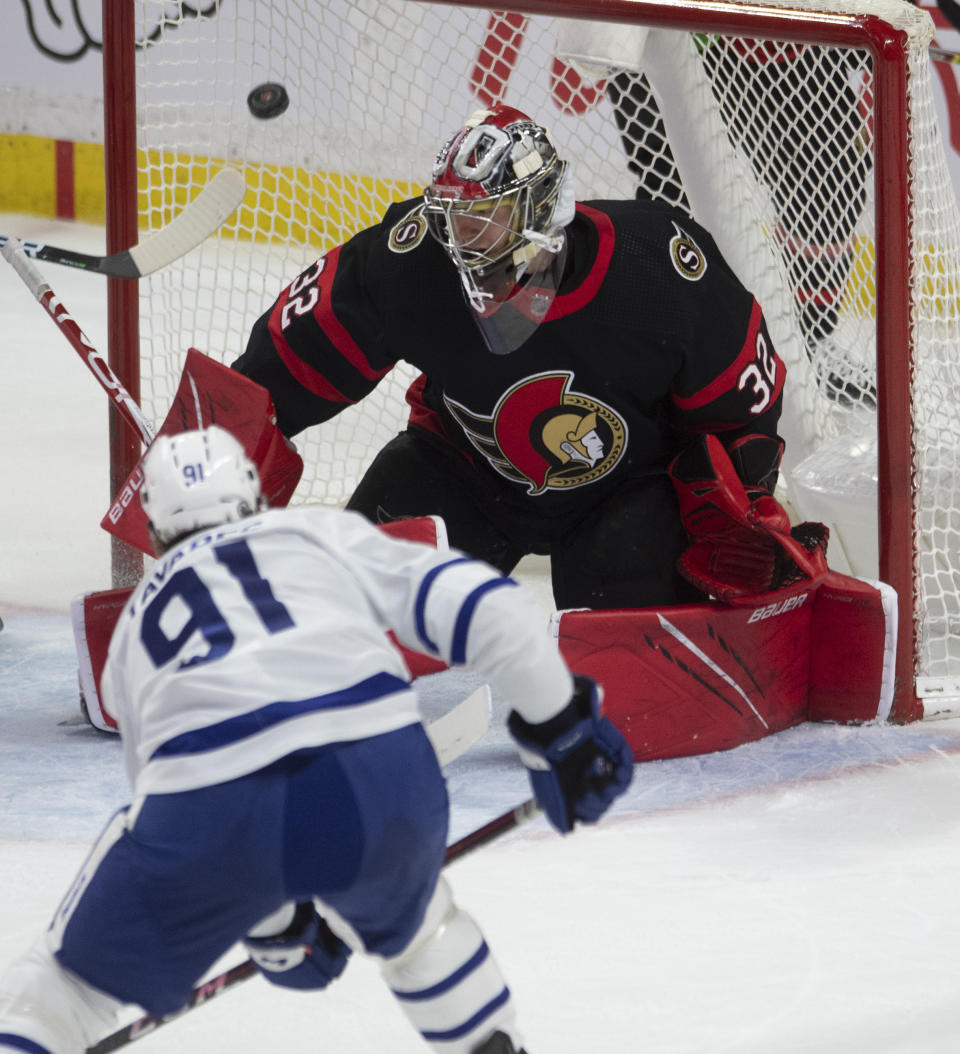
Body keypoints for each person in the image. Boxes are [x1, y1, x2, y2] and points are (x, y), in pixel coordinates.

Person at [0, 425, 633, 1054]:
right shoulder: (311, 533)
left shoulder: (137, 626)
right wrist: (561, 727)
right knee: (421, 928)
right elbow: (486, 609)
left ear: (155, 527)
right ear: (254, 494)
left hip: (207, 806)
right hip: (376, 777)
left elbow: (173, 796)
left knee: (66, 991)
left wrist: (276, 927)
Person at [233, 104, 813, 610]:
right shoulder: (412, 262)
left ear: (540, 207)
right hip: (462, 469)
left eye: (484, 218)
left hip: (630, 489)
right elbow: (289, 362)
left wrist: (744, 501)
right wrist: (217, 455)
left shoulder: (656, 268)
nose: (463, 238)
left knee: (622, 636)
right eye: (455, 218)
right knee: (352, 604)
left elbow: (739, 407)